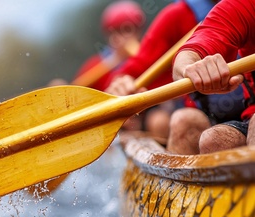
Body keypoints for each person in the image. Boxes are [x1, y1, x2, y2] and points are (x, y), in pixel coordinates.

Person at [105, 0, 246, 141]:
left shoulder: (246, 8)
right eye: (116, 31)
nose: (123, 37)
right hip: (200, 116)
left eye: (128, 29)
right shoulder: (177, 15)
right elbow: (134, 70)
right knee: (163, 121)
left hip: (248, 111)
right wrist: (120, 85)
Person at [170, 0, 255, 154]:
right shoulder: (243, 5)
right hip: (221, 112)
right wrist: (188, 66)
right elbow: (190, 53)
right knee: (212, 139)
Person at [70, 0, 145, 91]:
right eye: (112, 33)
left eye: (125, 30)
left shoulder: (152, 58)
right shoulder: (94, 66)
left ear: (138, 32)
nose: (118, 38)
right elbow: (74, 94)